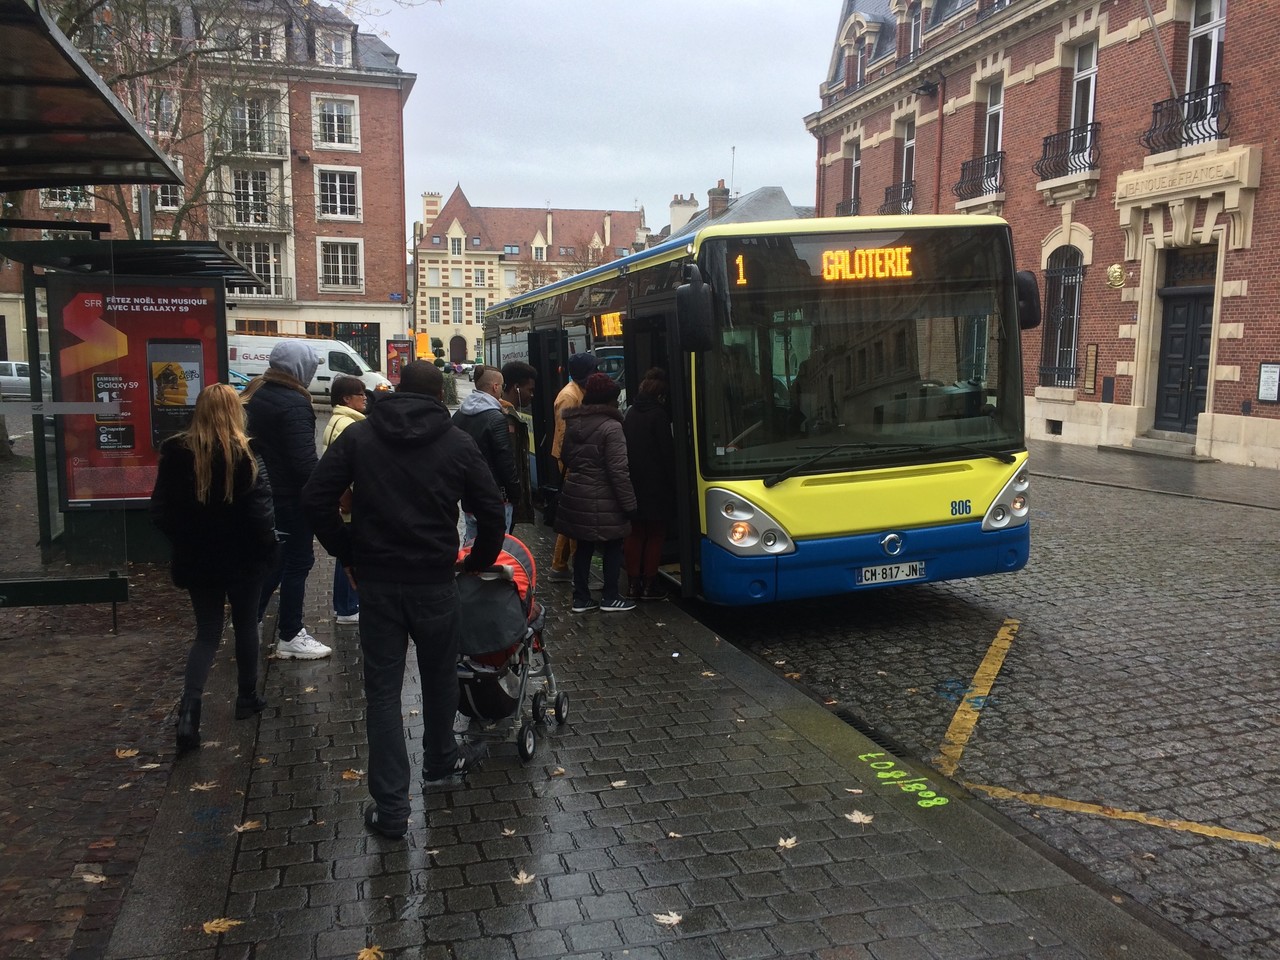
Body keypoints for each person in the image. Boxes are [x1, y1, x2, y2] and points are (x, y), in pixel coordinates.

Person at [302, 360, 505, 840]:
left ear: (394, 389)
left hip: (379, 583)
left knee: (383, 693)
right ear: (440, 397)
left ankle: (392, 807)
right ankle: (439, 761)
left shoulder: (361, 436)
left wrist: (347, 551)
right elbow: (492, 510)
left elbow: (314, 498)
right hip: (435, 581)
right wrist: (477, 560)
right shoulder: (457, 442)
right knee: (439, 678)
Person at [150, 384, 278, 753]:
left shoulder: (176, 453)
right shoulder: (247, 453)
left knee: (206, 633)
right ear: (237, 411)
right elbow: (261, 511)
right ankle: (246, 697)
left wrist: (184, 540)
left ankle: (189, 712)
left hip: (198, 558)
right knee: (245, 624)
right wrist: (268, 547)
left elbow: (159, 512)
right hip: (244, 557)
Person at [246, 340, 332, 660]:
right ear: (298, 368)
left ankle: (250, 618)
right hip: (289, 499)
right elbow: (303, 463)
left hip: (266, 494)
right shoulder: (294, 403)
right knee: (299, 561)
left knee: (278, 561)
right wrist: (323, 496)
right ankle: (290, 634)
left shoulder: (258, 393)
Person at [554, 371, 638, 614]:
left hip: (577, 493)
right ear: (609, 400)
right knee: (612, 545)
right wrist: (629, 503)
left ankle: (581, 598)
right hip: (605, 496)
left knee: (584, 546)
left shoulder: (574, 422)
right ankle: (610, 596)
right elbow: (618, 470)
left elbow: (567, 457)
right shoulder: (612, 427)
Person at [623, 367, 677, 601]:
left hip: (633, 482)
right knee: (656, 535)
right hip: (656, 485)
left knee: (635, 534)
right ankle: (649, 584)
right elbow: (667, 454)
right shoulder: (659, 415)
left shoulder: (631, 413)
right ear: (661, 395)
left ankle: (633, 584)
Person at [452, 365, 520, 540]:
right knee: (498, 550)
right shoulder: (496, 418)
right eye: (502, 386)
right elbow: (505, 460)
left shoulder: (459, 415)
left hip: (469, 497)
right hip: (496, 497)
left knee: (470, 546)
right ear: (495, 387)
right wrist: (515, 493)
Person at [321, 376, 368, 624]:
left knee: (347, 552)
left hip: (346, 498)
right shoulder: (346, 424)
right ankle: (348, 607)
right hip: (349, 501)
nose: (364, 398)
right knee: (349, 553)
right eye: (359, 394)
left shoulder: (342, 421)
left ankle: (347, 605)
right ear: (345, 399)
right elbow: (339, 468)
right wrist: (346, 497)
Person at [547, 352, 597, 581]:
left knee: (571, 516)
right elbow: (565, 433)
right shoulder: (569, 396)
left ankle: (560, 567)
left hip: (572, 459)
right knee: (576, 517)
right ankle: (579, 571)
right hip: (571, 461)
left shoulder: (577, 391)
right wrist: (575, 461)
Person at [499, 360, 537, 531]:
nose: (532, 395)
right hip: (504, 501)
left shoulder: (508, 415)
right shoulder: (503, 418)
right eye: (530, 389)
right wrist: (514, 496)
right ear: (516, 388)